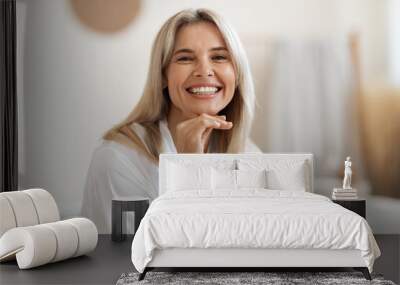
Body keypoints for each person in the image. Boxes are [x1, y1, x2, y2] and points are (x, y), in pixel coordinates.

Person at [81, 8, 261, 234]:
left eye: (219, 57)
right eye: (185, 58)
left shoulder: (247, 153)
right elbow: (149, 257)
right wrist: (187, 168)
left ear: (236, 73)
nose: (204, 70)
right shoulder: (118, 158)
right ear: (163, 75)